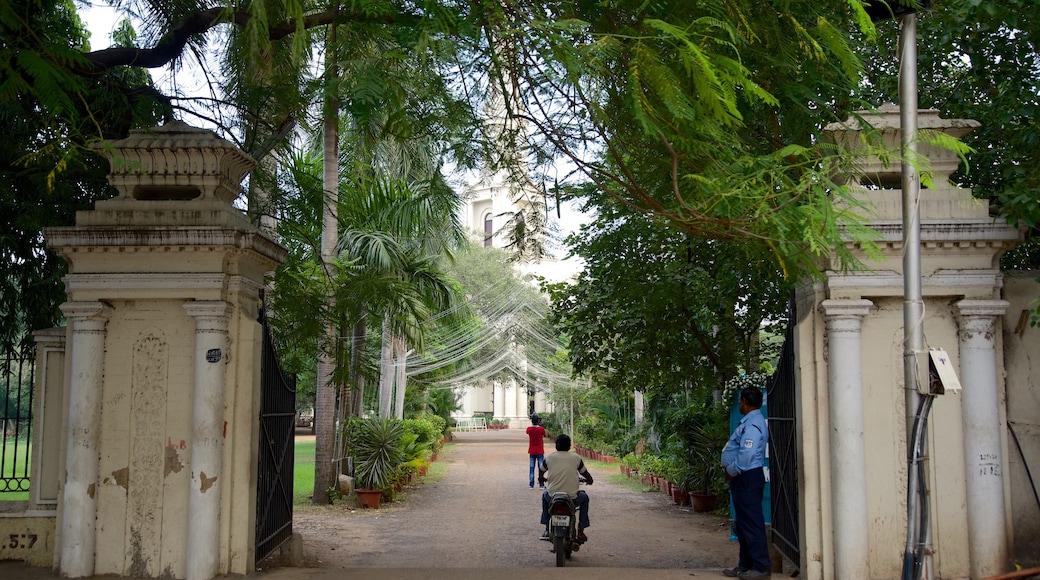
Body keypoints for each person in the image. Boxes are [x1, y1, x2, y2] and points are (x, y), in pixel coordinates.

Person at [721, 387, 771, 579]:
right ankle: (745, 565)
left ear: (745, 402)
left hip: (747, 477)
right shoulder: (749, 421)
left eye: (740, 401)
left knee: (752, 522)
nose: (739, 404)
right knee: (743, 524)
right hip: (744, 477)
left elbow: (747, 455)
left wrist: (731, 471)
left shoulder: (753, 424)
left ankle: (761, 567)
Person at [537, 434, 593, 542]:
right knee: (584, 497)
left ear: (556, 446)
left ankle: (546, 530)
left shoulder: (549, 457)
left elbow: (541, 471)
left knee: (545, 496)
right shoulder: (576, 458)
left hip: (553, 497)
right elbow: (585, 473)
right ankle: (581, 530)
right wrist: (589, 480)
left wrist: (541, 479)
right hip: (572, 498)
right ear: (569, 446)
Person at [526, 414, 547, 488]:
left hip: (532, 450)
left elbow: (527, 432)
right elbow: (545, 435)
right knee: (541, 468)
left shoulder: (529, 429)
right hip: (540, 451)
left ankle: (531, 484)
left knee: (532, 467)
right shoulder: (541, 429)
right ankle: (541, 484)